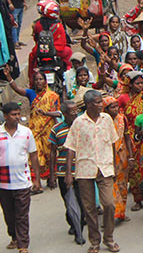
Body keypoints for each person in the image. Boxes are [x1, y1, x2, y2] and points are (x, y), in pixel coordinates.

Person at [64, 90, 119, 253]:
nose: (101, 105)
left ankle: (109, 237)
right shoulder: (79, 122)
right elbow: (70, 148)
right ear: (88, 104)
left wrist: (114, 166)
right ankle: (94, 241)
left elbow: (113, 143)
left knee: (109, 204)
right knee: (89, 209)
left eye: (101, 102)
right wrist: (69, 173)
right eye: (97, 102)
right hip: (85, 169)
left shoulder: (107, 119)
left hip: (105, 167)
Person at [0, 102, 41, 253]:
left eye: (18, 114)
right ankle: (14, 236)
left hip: (22, 182)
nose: (17, 117)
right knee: (9, 214)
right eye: (13, 114)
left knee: (22, 215)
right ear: (5, 116)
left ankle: (23, 245)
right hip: (3, 183)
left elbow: (33, 154)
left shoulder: (26, 132)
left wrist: (36, 179)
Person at [48, 99, 86, 244]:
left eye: (77, 111)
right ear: (64, 113)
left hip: (81, 170)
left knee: (82, 202)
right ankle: (74, 224)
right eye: (72, 112)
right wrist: (52, 175)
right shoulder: (57, 129)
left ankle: (79, 228)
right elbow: (52, 153)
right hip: (64, 172)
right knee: (69, 201)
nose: (75, 114)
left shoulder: (82, 125)